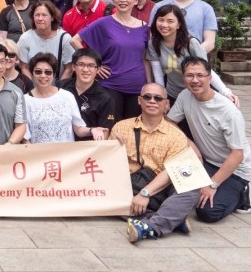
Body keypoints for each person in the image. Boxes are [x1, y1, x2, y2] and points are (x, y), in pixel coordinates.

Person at [113, 82, 199, 243]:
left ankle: (149, 228)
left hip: (161, 187)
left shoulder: (176, 135)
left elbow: (172, 171)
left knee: (192, 187)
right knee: (111, 200)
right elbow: (109, 165)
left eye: (158, 98)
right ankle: (172, 219)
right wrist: (113, 146)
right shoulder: (121, 127)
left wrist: (145, 193)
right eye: (147, 97)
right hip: (130, 186)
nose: (152, 101)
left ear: (166, 104)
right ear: (139, 100)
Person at [168, 57, 251, 223]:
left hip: (235, 170)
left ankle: (243, 195)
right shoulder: (185, 96)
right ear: (183, 78)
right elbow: (169, 123)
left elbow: (237, 155)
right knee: (172, 191)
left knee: (207, 212)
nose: (195, 80)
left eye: (200, 75)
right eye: (189, 75)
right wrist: (190, 143)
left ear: (210, 78)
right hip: (206, 163)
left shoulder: (229, 112)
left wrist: (212, 185)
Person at [72, 0, 151, 121]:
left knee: (134, 129)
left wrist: (149, 85)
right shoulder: (104, 23)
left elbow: (145, 59)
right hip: (110, 86)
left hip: (137, 87)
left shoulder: (145, 28)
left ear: (136, 0)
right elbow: (74, 40)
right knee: (111, 130)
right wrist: (95, 65)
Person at [147, 4, 234, 105]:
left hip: (197, 95)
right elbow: (158, 74)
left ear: (178, 24)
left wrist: (225, 92)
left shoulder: (191, 43)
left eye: (170, 21)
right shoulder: (153, 44)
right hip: (173, 95)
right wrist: (162, 97)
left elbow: (207, 71)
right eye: (161, 20)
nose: (164, 25)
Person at [23, 53, 102, 143]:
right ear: (32, 73)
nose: (43, 76)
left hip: (66, 155)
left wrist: (92, 130)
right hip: (40, 155)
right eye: (38, 72)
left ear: (54, 74)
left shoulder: (67, 96)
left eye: (48, 72)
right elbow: (25, 138)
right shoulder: (25, 100)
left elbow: (79, 129)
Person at [58, 48, 116, 140]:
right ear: (73, 67)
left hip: (88, 148)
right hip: (61, 143)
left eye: (91, 65)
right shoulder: (60, 87)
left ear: (98, 69)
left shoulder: (105, 98)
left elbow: (104, 133)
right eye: (81, 64)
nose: (85, 69)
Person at [17, 1, 75, 80]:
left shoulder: (65, 38)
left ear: (52, 17)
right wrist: (33, 88)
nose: (40, 18)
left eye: (44, 15)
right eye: (37, 15)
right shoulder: (25, 38)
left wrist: (59, 89)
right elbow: (24, 67)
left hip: (58, 85)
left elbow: (69, 68)